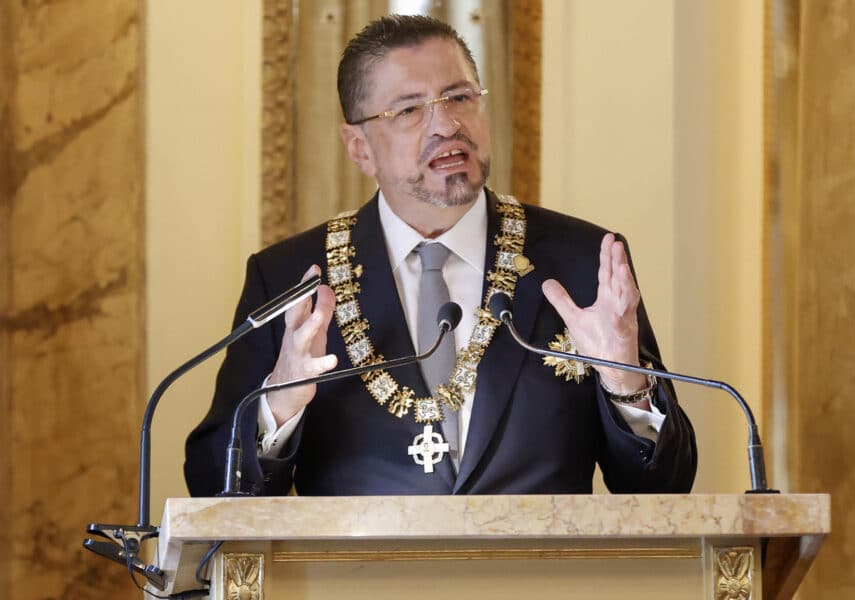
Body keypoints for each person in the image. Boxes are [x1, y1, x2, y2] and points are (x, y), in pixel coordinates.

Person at [185, 14, 696, 496]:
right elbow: (211, 488)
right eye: (409, 110)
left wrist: (625, 380)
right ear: (359, 147)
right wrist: (277, 407)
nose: (447, 125)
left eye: (459, 97)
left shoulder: (584, 263)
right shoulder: (287, 282)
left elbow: (664, 487)